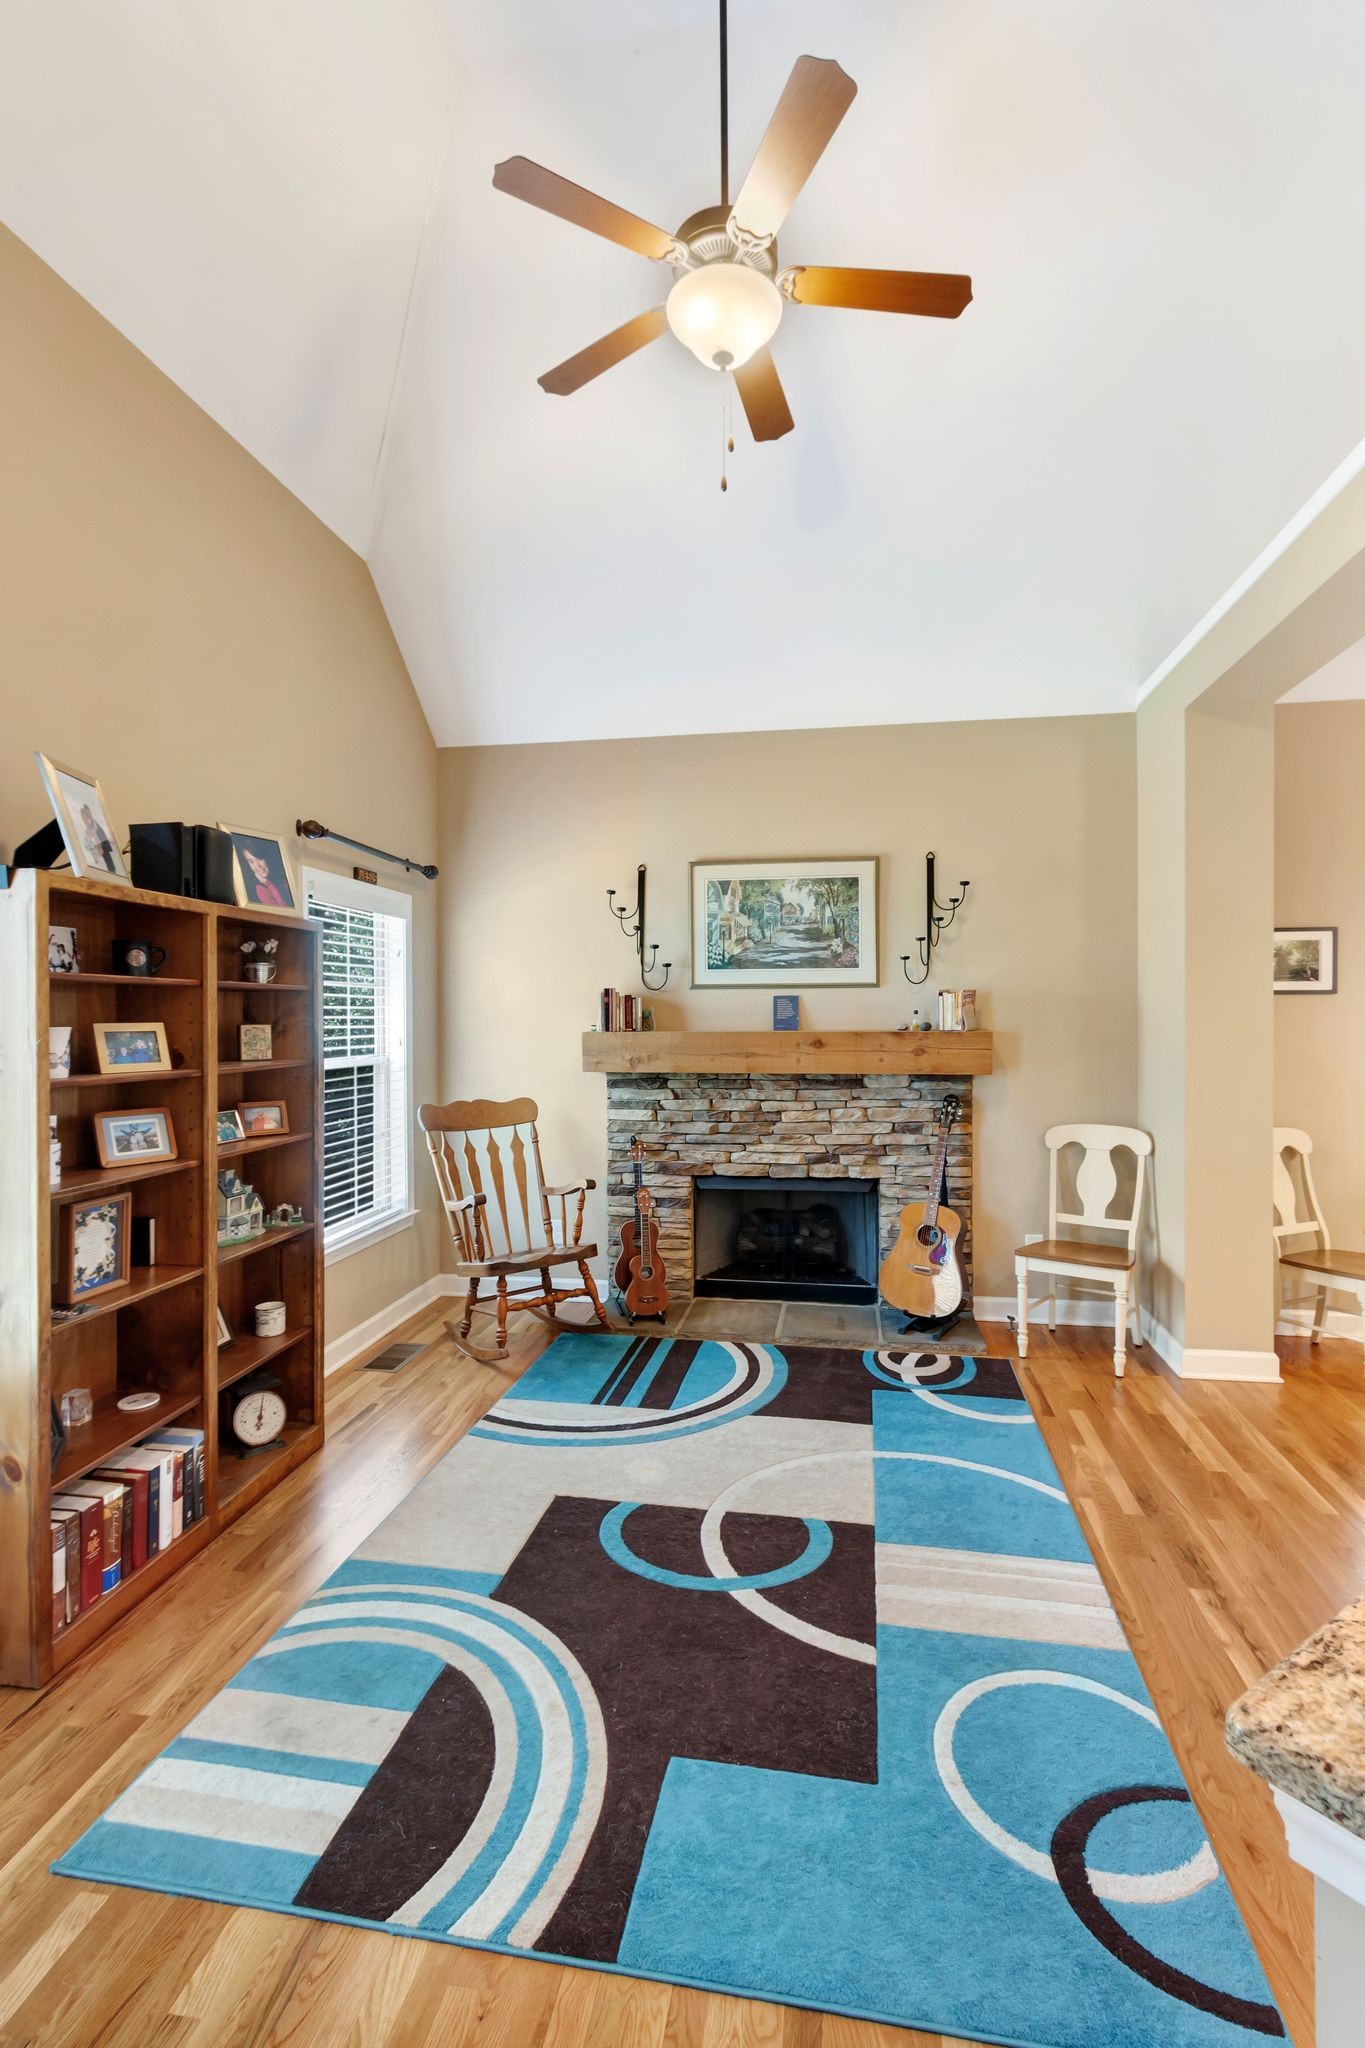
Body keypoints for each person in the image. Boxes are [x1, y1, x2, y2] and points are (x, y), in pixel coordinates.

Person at [78, 803, 117, 873]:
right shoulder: (87, 830)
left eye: (87, 817)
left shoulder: (94, 825)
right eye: (84, 818)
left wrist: (99, 847)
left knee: (110, 867)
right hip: (96, 854)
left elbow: (98, 840)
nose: (86, 820)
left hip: (103, 848)